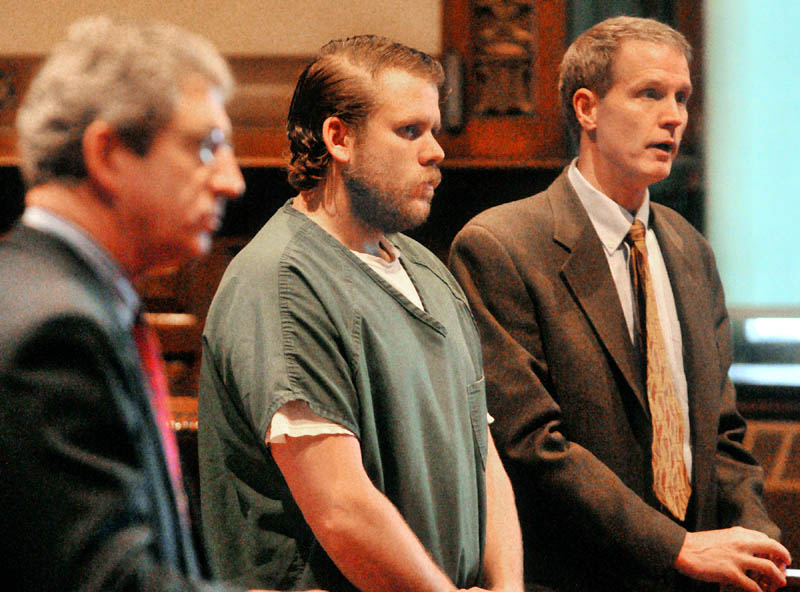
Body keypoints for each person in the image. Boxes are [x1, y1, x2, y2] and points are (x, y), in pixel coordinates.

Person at [449, 15, 791, 592]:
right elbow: (532, 444)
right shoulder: (500, 246)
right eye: (649, 93)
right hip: (573, 579)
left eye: (682, 97)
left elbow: (720, 434)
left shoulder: (689, 248)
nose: (673, 116)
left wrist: (757, 540)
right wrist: (675, 548)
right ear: (587, 108)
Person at [197, 35, 523, 592]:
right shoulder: (283, 281)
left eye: (434, 130)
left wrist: (507, 587)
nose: (436, 151)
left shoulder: (426, 267)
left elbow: (482, 456)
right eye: (409, 131)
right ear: (338, 138)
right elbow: (342, 511)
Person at [0, 15, 255, 591]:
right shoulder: (53, 331)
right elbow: (104, 582)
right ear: (109, 153)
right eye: (206, 147)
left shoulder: (44, 289)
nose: (232, 181)